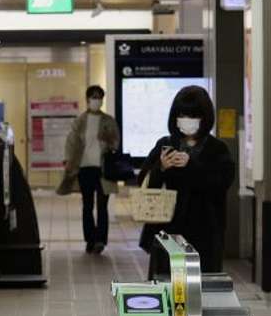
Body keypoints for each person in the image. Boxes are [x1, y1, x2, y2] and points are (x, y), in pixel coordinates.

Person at [139, 85, 235, 278]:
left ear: (204, 117)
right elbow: (144, 181)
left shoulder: (217, 149)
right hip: (168, 231)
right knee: (166, 285)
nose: (187, 121)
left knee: (200, 289)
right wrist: (161, 168)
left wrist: (192, 166)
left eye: (194, 116)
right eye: (183, 115)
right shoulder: (166, 145)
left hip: (205, 231)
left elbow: (222, 182)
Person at [61, 85, 120, 254]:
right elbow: (71, 142)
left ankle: (100, 240)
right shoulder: (80, 121)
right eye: (93, 97)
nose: (96, 100)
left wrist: (108, 141)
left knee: (103, 206)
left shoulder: (108, 121)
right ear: (87, 100)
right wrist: (68, 160)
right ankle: (90, 239)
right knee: (87, 205)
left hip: (103, 169)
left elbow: (116, 142)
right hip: (85, 168)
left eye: (99, 97)